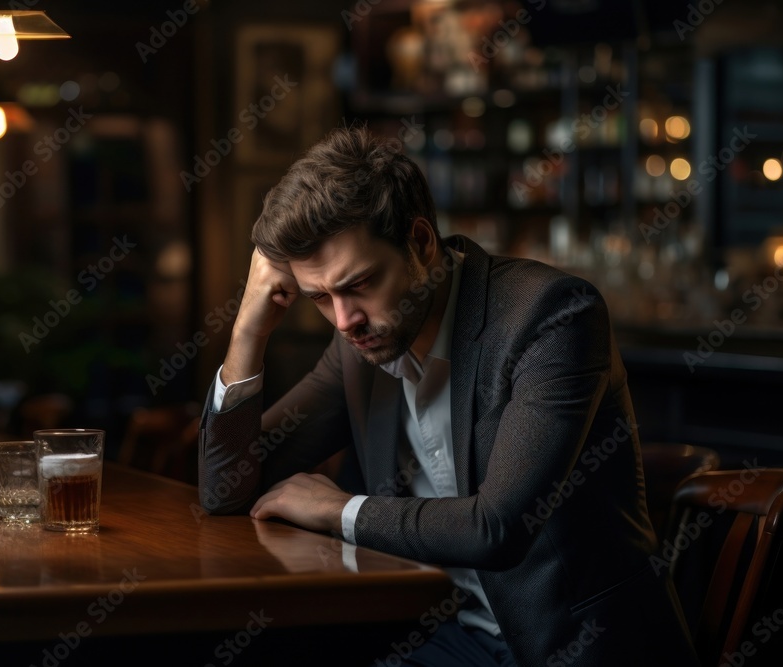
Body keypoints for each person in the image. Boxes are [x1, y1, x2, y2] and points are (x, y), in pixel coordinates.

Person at [197, 124, 699, 666]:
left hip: (576, 649)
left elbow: (497, 528)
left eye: (359, 283)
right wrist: (249, 330)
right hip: (451, 639)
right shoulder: (360, 349)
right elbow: (226, 488)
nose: (345, 320)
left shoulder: (552, 316)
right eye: (319, 298)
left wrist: (341, 511)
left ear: (419, 242)